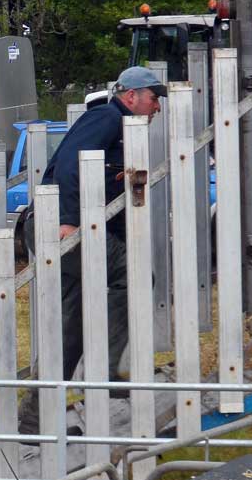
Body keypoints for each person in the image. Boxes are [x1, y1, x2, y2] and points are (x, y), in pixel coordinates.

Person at [16, 65, 166, 436]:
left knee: (71, 327)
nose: (157, 106)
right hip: (61, 226)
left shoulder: (122, 130)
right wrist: (66, 219)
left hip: (74, 228)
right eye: (153, 98)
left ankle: (36, 417)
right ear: (131, 96)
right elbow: (69, 165)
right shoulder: (108, 117)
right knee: (132, 276)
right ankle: (104, 372)